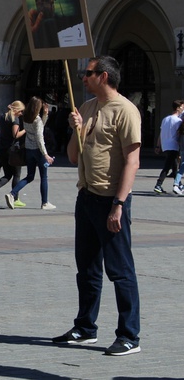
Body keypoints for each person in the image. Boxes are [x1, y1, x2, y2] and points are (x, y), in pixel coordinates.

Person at [53, 56, 142, 356]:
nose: (83, 78)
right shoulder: (87, 108)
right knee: (87, 268)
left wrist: (119, 203)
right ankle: (85, 327)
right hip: (87, 196)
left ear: (103, 76)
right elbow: (73, 157)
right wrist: (74, 129)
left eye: (88, 73)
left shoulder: (126, 111)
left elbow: (133, 160)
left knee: (120, 270)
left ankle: (129, 335)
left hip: (110, 200)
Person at [5, 97, 55, 210]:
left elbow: (39, 127)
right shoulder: (36, 119)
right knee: (44, 177)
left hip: (29, 150)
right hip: (38, 150)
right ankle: (45, 202)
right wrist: (45, 154)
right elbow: (39, 136)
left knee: (30, 176)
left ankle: (12, 194)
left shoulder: (26, 118)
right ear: (37, 107)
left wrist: (45, 115)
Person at [0, 101, 27, 207]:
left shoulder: (3, 117)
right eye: (21, 111)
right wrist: (25, 130)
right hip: (13, 150)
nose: (22, 113)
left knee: (8, 174)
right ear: (17, 110)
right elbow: (16, 134)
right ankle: (15, 198)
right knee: (17, 174)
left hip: (3, 149)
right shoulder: (15, 119)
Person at [153, 100, 184, 194]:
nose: (183, 109)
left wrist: (158, 146)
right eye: (182, 107)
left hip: (166, 145)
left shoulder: (165, 119)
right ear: (178, 108)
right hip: (173, 145)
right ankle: (158, 184)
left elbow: (161, 134)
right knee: (167, 167)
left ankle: (179, 185)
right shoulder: (178, 121)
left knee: (174, 167)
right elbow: (179, 135)